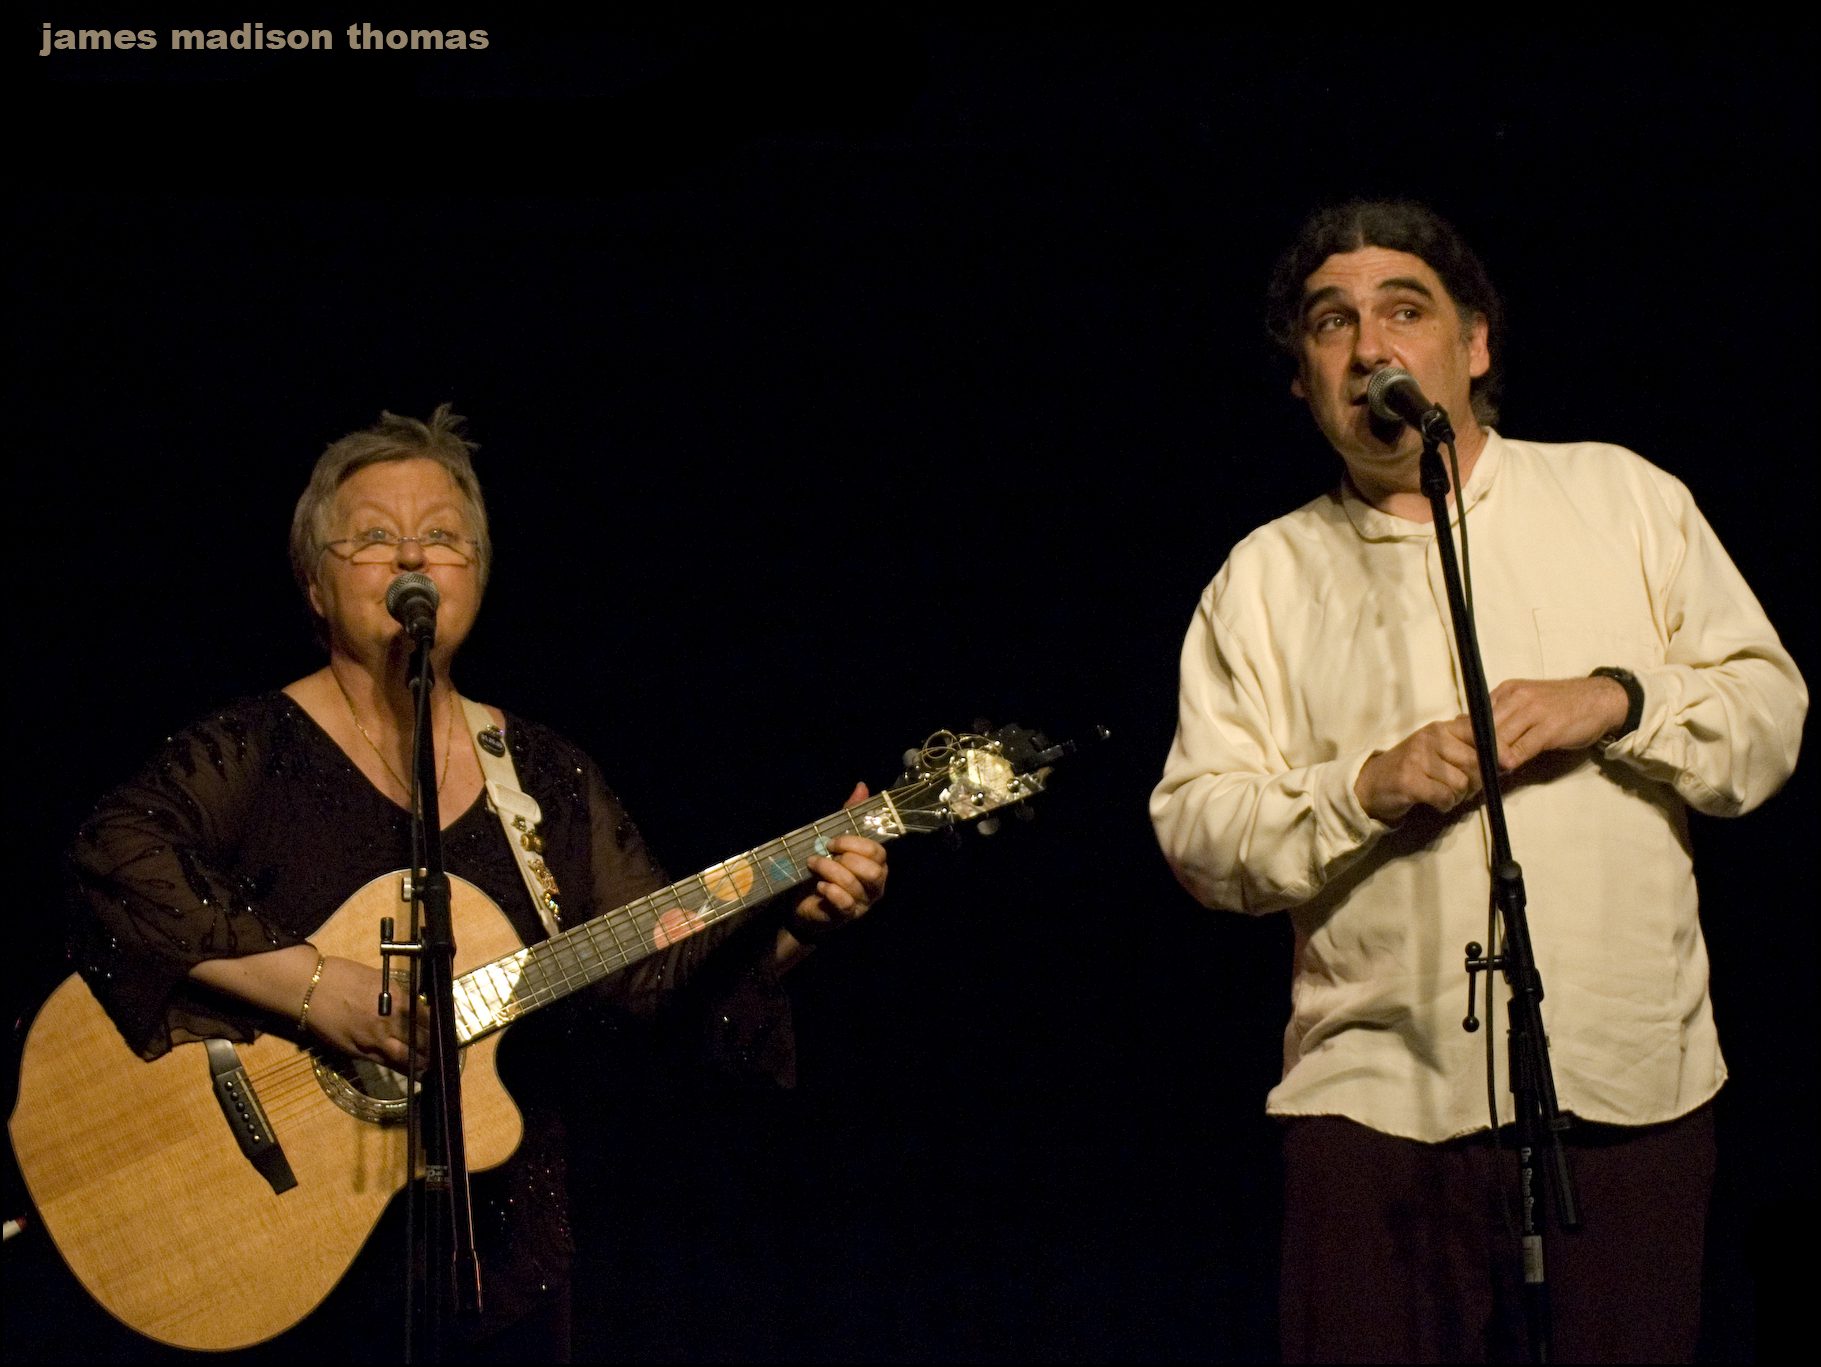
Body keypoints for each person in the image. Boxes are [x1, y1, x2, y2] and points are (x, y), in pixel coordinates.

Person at [61, 405, 889, 1362]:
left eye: (444, 538)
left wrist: (798, 927)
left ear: (479, 578)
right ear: (315, 584)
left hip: (496, 1263)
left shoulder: (542, 774)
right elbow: (114, 853)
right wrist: (313, 987)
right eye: (374, 536)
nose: (413, 554)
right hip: (271, 1241)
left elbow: (654, 980)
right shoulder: (257, 745)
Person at [1149, 200, 1806, 1364]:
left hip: (1624, 1089)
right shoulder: (1261, 576)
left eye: (1407, 310)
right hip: (1373, 1114)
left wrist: (1620, 697)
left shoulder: (1623, 497)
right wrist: (1364, 786)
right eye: (1331, 323)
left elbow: (1768, 719)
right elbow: (1201, 834)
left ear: (1476, 343)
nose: (1371, 347)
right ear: (1303, 381)